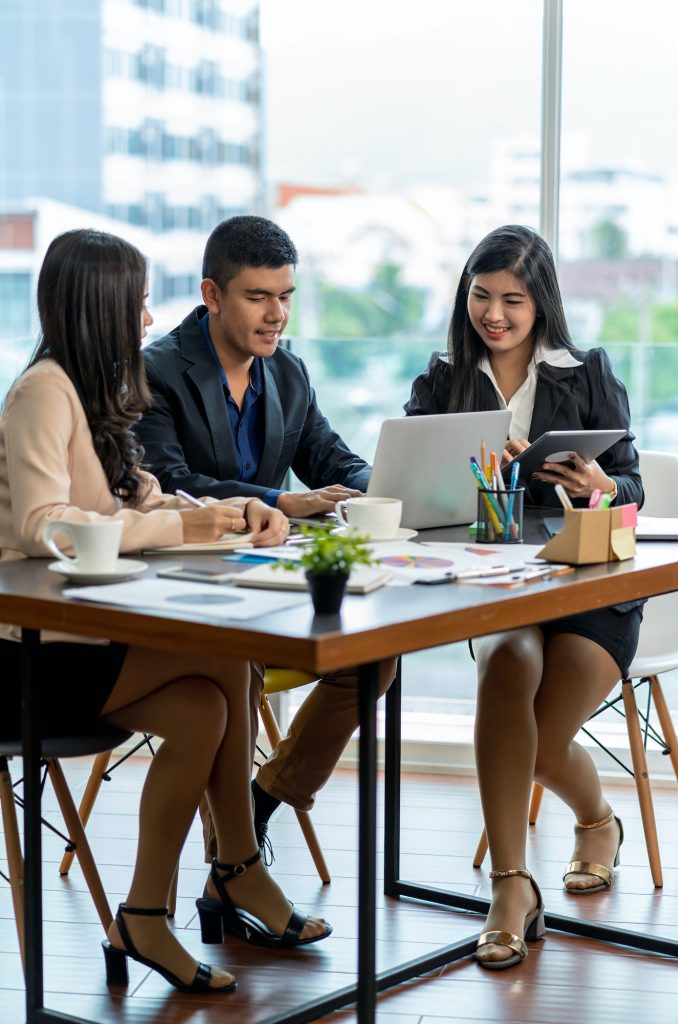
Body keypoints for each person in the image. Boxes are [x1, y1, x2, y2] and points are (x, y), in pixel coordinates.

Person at [0, 228, 331, 996]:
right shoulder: (42, 392)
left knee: (203, 706)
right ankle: (236, 872)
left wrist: (222, 510)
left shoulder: (93, 391)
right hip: (29, 654)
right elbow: (40, 523)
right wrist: (181, 525)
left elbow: (137, 494)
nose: (148, 321)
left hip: (87, 635)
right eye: (139, 305)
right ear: (100, 307)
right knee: (222, 658)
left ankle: (150, 911)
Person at [404, 225, 644, 971]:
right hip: (497, 583)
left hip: (585, 584)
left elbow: (632, 485)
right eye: (481, 296)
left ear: (542, 305)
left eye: (513, 299)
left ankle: (597, 820)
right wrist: (475, 479)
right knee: (505, 674)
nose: (494, 314)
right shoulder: (442, 381)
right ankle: (511, 888)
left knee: (533, 741)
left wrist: (597, 484)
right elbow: (412, 490)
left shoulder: (588, 372)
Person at [136, 214, 396, 864]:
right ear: (212, 295)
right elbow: (171, 481)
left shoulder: (287, 372)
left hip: (267, 583)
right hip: (187, 588)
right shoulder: (157, 372)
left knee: (375, 656)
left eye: (285, 297)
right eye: (258, 296)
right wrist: (281, 501)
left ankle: (264, 799)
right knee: (237, 666)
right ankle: (232, 865)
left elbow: (330, 458)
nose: (276, 313)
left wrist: (382, 488)